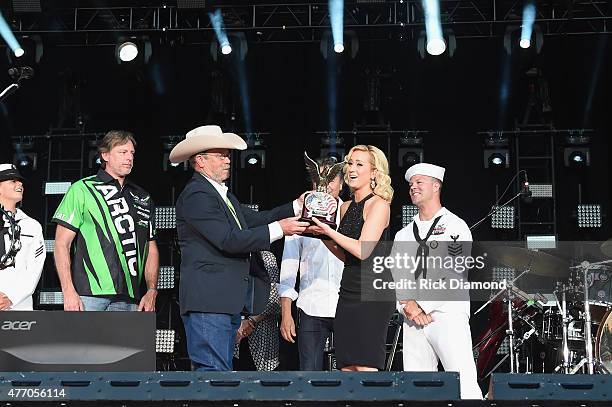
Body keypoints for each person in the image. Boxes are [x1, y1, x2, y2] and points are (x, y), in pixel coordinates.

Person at [169, 125, 309, 372]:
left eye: (227, 155)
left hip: (224, 302)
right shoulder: (197, 195)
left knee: (220, 373)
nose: (227, 160)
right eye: (220, 155)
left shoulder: (221, 194)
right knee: (212, 373)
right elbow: (229, 240)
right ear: (200, 161)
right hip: (208, 303)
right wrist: (280, 229)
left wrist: (296, 207)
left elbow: (254, 219)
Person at [393, 162, 482, 399]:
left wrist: (422, 304)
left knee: (463, 382)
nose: (413, 187)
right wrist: (408, 306)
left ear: (436, 186)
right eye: (411, 184)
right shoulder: (403, 234)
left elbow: (455, 270)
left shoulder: (455, 225)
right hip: (412, 319)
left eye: (419, 182)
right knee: (417, 386)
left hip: (446, 312)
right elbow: (397, 273)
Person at [306, 145, 395, 371]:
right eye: (349, 163)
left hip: (373, 293)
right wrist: (320, 234)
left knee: (365, 366)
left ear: (374, 172)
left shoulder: (379, 205)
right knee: (346, 366)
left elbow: (363, 250)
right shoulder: (344, 207)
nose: (351, 169)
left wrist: (329, 232)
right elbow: (346, 255)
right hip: (348, 290)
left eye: (359, 164)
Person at [52, 130, 159, 312]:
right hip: (88, 294)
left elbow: (151, 247)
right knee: (84, 342)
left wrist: (151, 290)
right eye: (122, 152)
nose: (129, 158)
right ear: (105, 155)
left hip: (130, 297)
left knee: (124, 343)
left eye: (132, 153)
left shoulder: (142, 197)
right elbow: (62, 244)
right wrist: (68, 290)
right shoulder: (82, 189)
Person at [278, 157, 344, 371]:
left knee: (350, 372)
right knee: (309, 373)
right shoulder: (299, 217)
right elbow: (288, 268)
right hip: (311, 306)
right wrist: (286, 314)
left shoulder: (351, 214)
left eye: (332, 178)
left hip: (347, 306)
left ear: (342, 184)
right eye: (318, 179)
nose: (325, 184)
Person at [0, 164, 45, 311]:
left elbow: (35, 268)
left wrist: (11, 297)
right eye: (12, 181)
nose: (20, 184)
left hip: (19, 306)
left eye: (20, 181)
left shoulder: (32, 226)